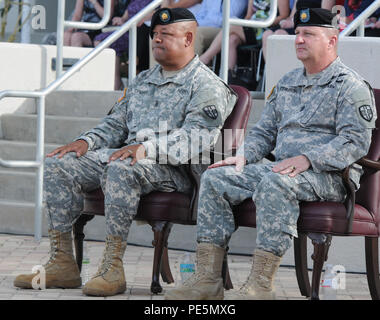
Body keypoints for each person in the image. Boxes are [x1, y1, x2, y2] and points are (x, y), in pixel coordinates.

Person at [13, 8, 237, 297]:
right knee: (60, 162)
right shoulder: (143, 81)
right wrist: (87, 142)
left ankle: (112, 267)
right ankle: (63, 263)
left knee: (122, 167)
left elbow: (196, 139)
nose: (156, 39)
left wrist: (146, 148)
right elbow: (115, 123)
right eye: (154, 34)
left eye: (165, 34)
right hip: (131, 158)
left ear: (188, 38)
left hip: (173, 170)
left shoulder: (206, 85)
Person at [165, 6, 376, 300]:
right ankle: (207, 280)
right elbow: (265, 132)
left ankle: (260, 284)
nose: (299, 39)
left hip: (328, 176)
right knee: (216, 178)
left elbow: (355, 143)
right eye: (298, 33)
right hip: (282, 170)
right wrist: (244, 157)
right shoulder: (288, 82)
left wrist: (309, 159)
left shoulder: (350, 86)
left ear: (332, 40)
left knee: (276, 182)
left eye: (309, 34)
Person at [199, 0, 290, 78]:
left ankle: (205, 59)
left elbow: (284, 16)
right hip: (251, 27)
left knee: (231, 24)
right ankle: (228, 78)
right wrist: (245, 24)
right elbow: (248, 16)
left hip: (266, 28)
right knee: (231, 39)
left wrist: (264, 22)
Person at [93, 0, 153, 90]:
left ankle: (116, 81)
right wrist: (121, 20)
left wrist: (133, 22)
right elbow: (125, 17)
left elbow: (148, 17)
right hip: (127, 29)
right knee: (100, 40)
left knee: (109, 41)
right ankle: (113, 80)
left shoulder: (156, 2)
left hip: (140, 32)